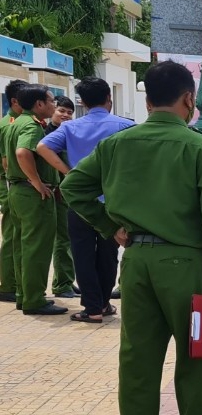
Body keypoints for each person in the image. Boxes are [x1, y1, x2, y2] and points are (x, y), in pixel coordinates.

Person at [61, 61, 202, 415]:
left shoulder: (118, 143)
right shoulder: (199, 147)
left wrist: (111, 226)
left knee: (138, 362)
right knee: (197, 360)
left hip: (137, 264)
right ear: (187, 100)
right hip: (185, 264)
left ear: (146, 101)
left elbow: (73, 189)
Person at [39, 78, 134, 323]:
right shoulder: (126, 126)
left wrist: (69, 172)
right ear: (108, 100)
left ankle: (91, 309)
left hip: (79, 201)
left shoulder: (70, 127)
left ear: (83, 102)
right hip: (114, 201)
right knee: (108, 253)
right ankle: (103, 304)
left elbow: (42, 147)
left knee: (82, 254)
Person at [6, 85, 70, 314]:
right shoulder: (31, 126)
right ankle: (34, 300)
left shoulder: (16, 123)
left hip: (17, 191)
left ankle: (25, 295)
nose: (54, 105)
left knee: (22, 247)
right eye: (51, 101)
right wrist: (36, 182)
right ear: (39, 104)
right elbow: (22, 153)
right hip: (32, 195)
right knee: (37, 248)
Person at [45, 96, 77, 299]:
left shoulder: (67, 133)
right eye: (61, 111)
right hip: (56, 192)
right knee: (62, 240)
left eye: (69, 112)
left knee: (68, 239)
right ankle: (62, 284)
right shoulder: (46, 134)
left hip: (66, 193)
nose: (65, 115)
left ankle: (66, 279)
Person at [0, 79, 27, 302]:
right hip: (9, 185)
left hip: (11, 185)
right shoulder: (9, 124)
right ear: (16, 101)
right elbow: (7, 163)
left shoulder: (18, 121)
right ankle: (8, 284)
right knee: (12, 236)